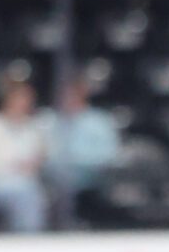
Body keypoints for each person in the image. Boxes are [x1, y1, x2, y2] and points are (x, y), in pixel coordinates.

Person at [0, 78, 50, 233]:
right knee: (25, 195)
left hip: (28, 185)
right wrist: (14, 165)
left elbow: (39, 160)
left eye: (28, 100)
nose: (24, 104)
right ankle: (26, 242)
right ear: (8, 100)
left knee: (31, 193)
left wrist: (33, 164)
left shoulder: (33, 128)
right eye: (20, 99)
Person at [43, 79, 121, 226]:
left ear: (81, 95)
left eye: (72, 95)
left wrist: (76, 162)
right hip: (54, 178)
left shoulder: (99, 121)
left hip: (92, 176)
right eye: (64, 96)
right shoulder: (48, 120)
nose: (67, 99)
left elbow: (110, 155)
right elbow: (43, 152)